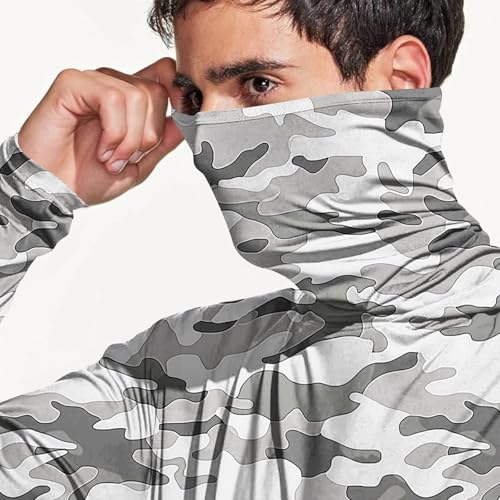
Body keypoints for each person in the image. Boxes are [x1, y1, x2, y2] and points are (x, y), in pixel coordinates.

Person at [5, 0, 499, 498]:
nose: (208, 137)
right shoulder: (181, 381)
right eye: (194, 98)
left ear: (401, 79)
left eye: (258, 84)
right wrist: (25, 196)